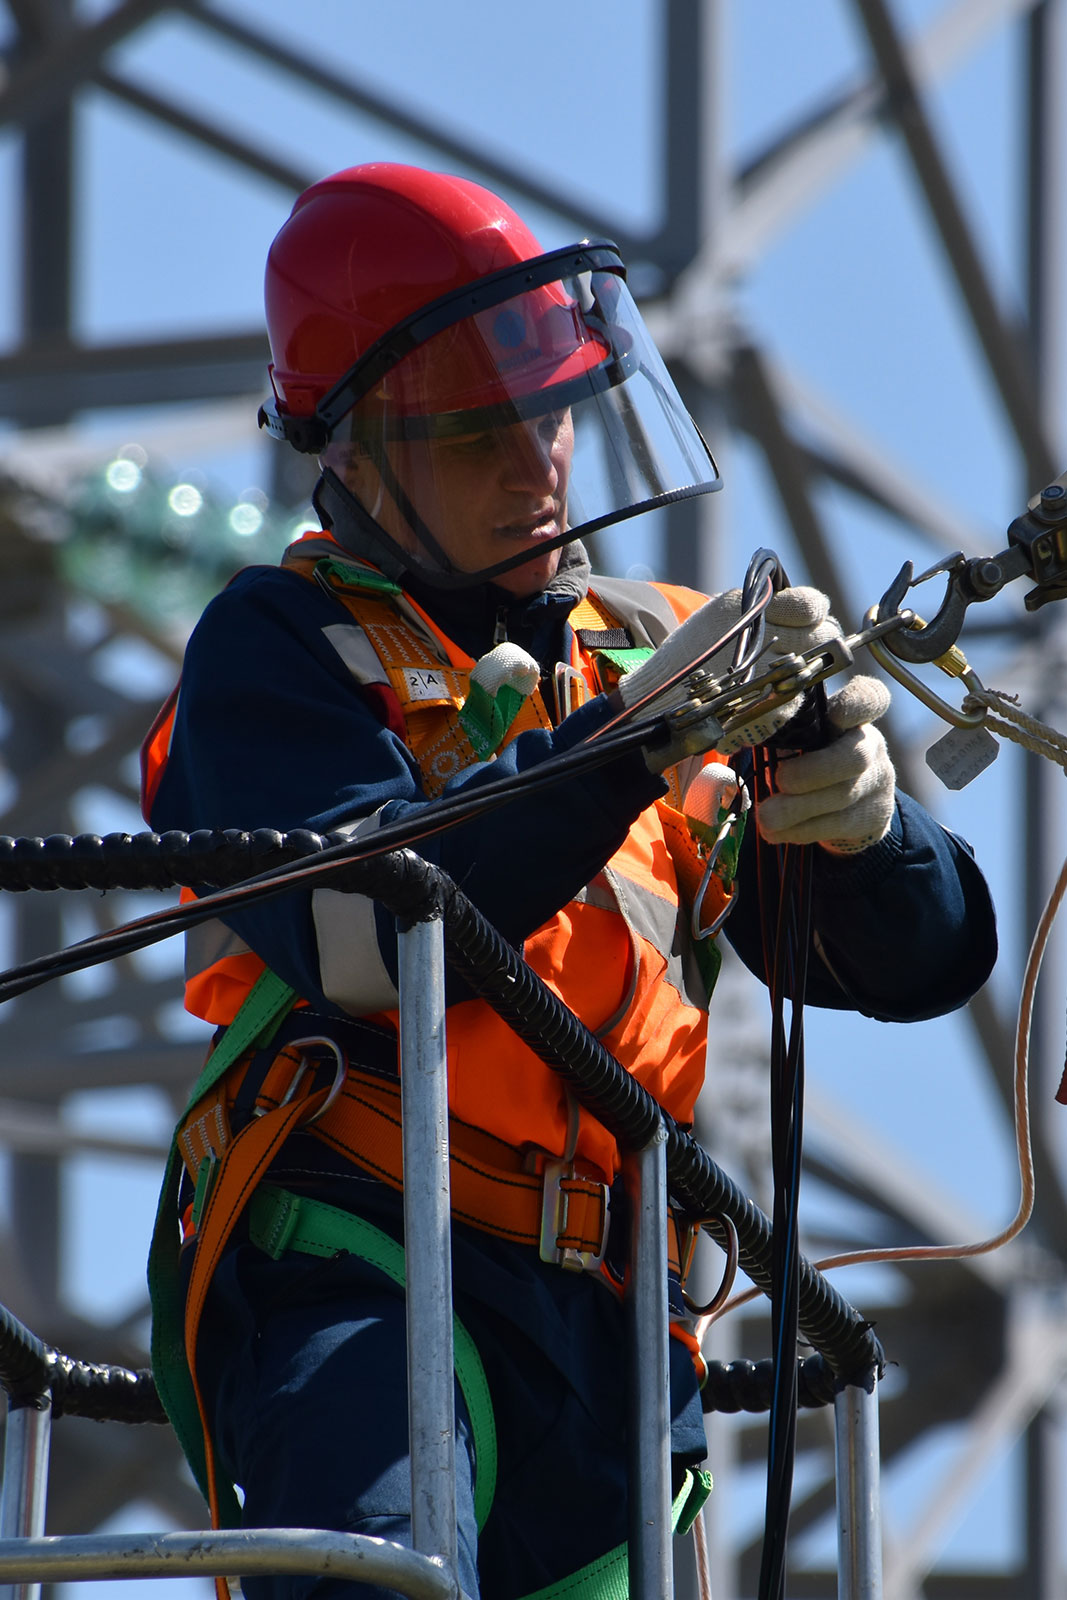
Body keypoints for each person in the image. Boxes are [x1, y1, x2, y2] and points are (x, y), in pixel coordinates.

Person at [142, 163, 997, 1600]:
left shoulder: (643, 650)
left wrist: (867, 828)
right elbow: (360, 937)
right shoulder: (282, 648)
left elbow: (918, 962)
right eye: (478, 430)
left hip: (614, 1331)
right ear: (353, 454)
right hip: (374, 1250)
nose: (534, 460)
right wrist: (628, 750)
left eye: (548, 415)